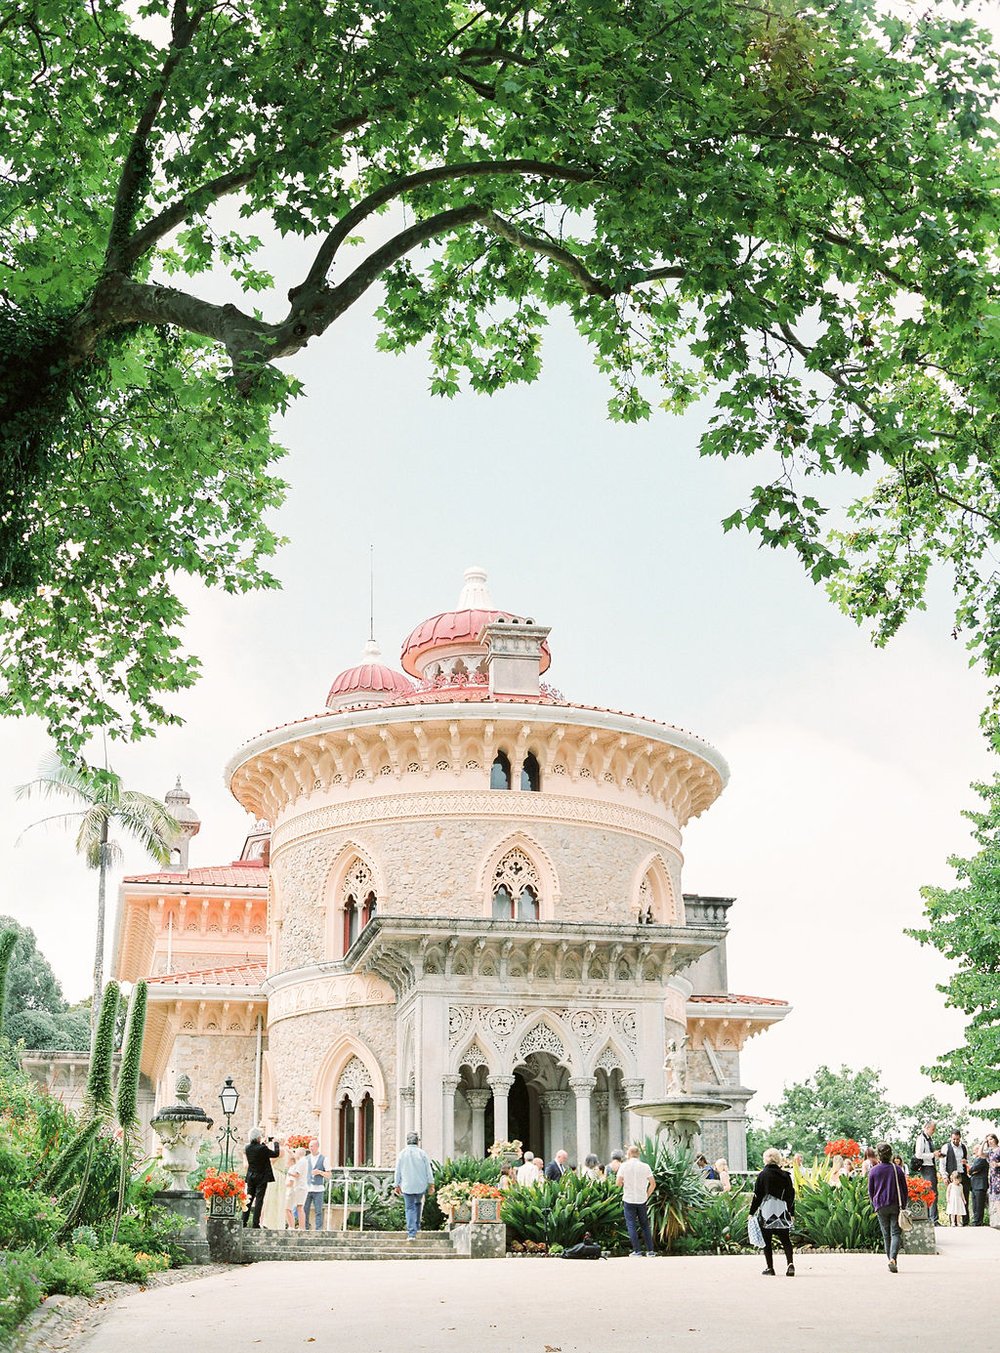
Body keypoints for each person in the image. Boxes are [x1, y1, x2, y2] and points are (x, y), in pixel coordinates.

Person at [750, 1146, 796, 1277]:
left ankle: (770, 1268)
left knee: (767, 1240)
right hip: (782, 1211)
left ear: (765, 1159)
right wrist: (792, 1213)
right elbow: (791, 1196)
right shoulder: (786, 1176)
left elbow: (757, 1195)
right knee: (785, 1239)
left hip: (767, 1211)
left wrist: (751, 1212)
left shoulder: (763, 1175)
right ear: (778, 1159)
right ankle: (790, 1264)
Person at [867, 1142, 907, 1273]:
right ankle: (893, 1259)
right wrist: (904, 1205)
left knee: (886, 1235)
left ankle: (889, 1258)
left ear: (878, 1155)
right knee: (895, 1233)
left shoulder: (873, 1171)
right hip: (895, 1204)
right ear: (890, 1155)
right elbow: (904, 1189)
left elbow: (870, 1191)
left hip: (880, 1205)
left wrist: (874, 1205)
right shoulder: (897, 1169)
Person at [393, 1130, 435, 1241]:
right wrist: (431, 1183)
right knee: (418, 1204)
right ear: (417, 1141)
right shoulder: (422, 1153)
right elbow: (428, 1170)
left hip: (407, 1185)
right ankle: (417, 1226)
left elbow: (397, 1171)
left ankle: (412, 1233)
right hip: (420, 1184)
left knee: (409, 1208)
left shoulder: (402, 1154)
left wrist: (396, 1184)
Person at [615, 1144, 655, 1256]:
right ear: (638, 1154)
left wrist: (624, 1184)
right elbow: (653, 1183)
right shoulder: (645, 1166)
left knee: (631, 1224)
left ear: (628, 1154)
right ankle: (650, 1250)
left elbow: (617, 1183)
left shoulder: (624, 1166)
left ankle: (637, 1250)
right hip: (642, 1199)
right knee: (645, 1225)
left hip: (629, 1198)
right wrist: (647, 1195)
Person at [243, 1126, 280, 1229]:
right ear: (258, 1137)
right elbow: (275, 1154)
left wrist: (264, 1143)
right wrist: (276, 1143)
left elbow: (260, 1150)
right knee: (259, 1200)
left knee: (248, 1200)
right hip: (261, 1177)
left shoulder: (247, 1148)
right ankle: (255, 1224)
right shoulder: (262, 1148)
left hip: (251, 1176)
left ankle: (244, 1222)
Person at [914, 1119, 940, 1224]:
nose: (933, 1131)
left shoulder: (928, 1139)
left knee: (934, 1192)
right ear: (927, 1127)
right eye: (932, 1129)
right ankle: (932, 1218)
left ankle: (933, 1217)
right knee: (931, 1193)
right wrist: (933, 1154)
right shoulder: (921, 1139)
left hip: (931, 1166)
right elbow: (918, 1155)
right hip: (926, 1167)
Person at [943, 1129, 970, 1225]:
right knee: (952, 1198)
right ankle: (953, 1222)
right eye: (954, 1139)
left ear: (960, 1138)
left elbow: (968, 1159)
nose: (955, 1141)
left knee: (964, 1198)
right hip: (952, 1176)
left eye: (957, 1139)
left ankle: (965, 1222)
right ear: (951, 1137)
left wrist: (966, 1162)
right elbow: (942, 1163)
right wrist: (944, 1176)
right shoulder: (946, 1147)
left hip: (963, 1175)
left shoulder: (964, 1147)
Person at [286, 1145, 308, 1229]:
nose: (295, 1154)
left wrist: (286, 1173)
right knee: (299, 1207)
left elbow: (297, 1174)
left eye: (296, 1152)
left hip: (300, 1187)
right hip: (300, 1187)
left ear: (299, 1153)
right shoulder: (302, 1161)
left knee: (299, 1207)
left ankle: (302, 1227)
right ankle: (301, 1227)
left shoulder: (302, 1161)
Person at [969, 1143, 990, 1226]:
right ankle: (976, 1220)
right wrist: (972, 1171)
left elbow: (973, 1169)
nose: (974, 1153)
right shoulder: (977, 1159)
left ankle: (978, 1221)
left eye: (975, 1151)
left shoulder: (982, 1159)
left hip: (980, 1185)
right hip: (974, 1185)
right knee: (975, 1204)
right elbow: (972, 1171)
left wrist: (971, 1171)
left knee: (979, 1205)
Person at [985, 1133, 1000, 1228]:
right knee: (994, 1199)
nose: (989, 1141)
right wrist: (983, 1142)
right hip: (992, 1177)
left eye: (991, 1139)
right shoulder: (990, 1152)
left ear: (995, 1139)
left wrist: (998, 1164)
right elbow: (980, 1154)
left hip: (998, 1176)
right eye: (988, 1140)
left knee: (999, 1199)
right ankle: (995, 1221)